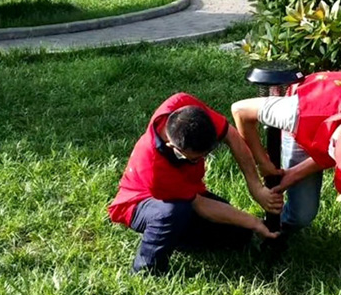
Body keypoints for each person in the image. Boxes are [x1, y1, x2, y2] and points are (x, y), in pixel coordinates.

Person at [231, 71, 341, 289]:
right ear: (332, 146)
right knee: (302, 213)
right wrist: (262, 161)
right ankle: (271, 231)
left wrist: (296, 173)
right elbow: (239, 110)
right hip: (309, 122)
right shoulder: (295, 112)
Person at [108, 93, 283, 275]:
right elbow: (200, 205)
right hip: (139, 202)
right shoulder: (154, 167)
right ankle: (145, 269)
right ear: (174, 148)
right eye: (196, 159)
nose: (203, 161)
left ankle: (178, 235)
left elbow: (230, 134)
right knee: (173, 213)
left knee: (239, 234)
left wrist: (256, 187)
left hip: (188, 194)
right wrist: (254, 222)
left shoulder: (183, 106)